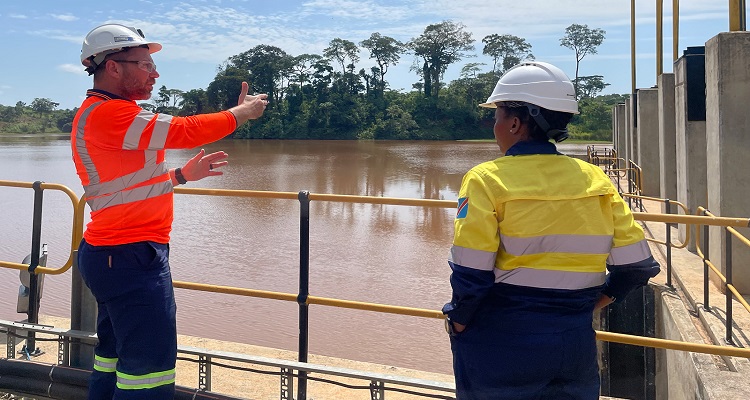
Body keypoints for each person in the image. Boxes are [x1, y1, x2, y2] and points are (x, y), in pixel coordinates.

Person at [71, 23, 268, 399]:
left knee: (113, 358)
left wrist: (179, 175)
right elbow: (185, 130)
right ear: (113, 66)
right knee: (149, 371)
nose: (155, 73)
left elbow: (123, 189)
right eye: (145, 65)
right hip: (128, 256)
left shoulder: (107, 114)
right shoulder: (110, 115)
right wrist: (240, 112)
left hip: (116, 254)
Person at [442, 61, 660, 400]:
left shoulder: (486, 179)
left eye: (497, 116)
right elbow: (636, 267)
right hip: (573, 340)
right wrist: (594, 304)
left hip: (502, 338)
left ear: (515, 123)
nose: (494, 125)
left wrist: (458, 320)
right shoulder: (596, 180)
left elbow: (472, 271)